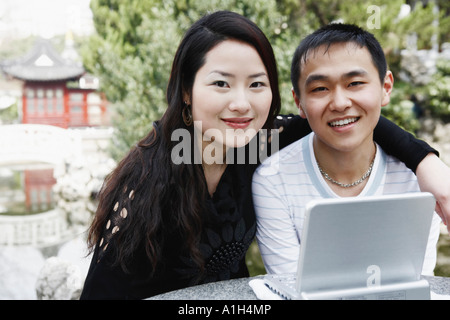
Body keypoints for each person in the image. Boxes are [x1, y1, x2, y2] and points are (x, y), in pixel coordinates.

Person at [81, 11, 446, 299]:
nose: (241, 104)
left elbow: (346, 118)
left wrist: (424, 161)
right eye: (221, 83)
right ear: (187, 92)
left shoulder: (257, 142)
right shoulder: (151, 178)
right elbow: (103, 290)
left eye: (256, 84)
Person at [252, 23, 441, 276]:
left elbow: (415, 282)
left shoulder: (424, 182)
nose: (340, 103)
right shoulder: (273, 180)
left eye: (355, 83)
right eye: (320, 88)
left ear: (386, 88)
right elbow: (291, 289)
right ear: (299, 102)